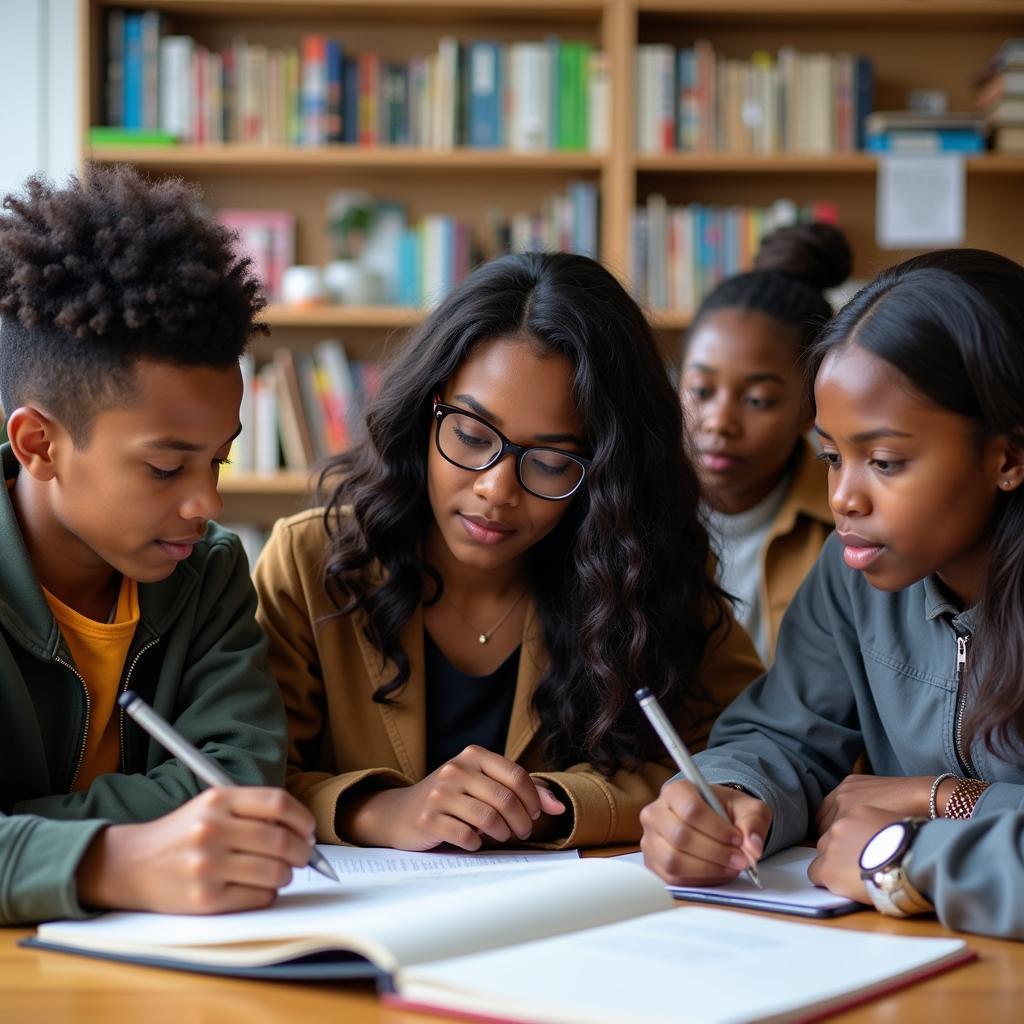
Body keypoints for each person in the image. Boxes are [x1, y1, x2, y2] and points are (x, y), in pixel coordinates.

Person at [254, 251, 762, 852]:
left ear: (607, 472)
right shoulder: (310, 562)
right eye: (470, 435)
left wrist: (553, 807)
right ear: (426, 408)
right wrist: (383, 811)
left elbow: (742, 754)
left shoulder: (647, 569)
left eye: (550, 462)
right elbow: (250, 776)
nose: (496, 490)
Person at [640, 248, 1024, 939]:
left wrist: (917, 837)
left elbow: (914, 833)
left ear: (1009, 456)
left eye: (884, 462)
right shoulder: (852, 573)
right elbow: (779, 732)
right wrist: (730, 796)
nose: (843, 496)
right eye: (830, 456)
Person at [0, 167, 316, 925]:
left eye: (220, 459)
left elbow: (235, 786)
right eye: (166, 467)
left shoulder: (207, 573)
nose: (206, 503)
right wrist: (112, 858)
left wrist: (19, 825)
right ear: (39, 443)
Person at [680, 222, 849, 663]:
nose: (719, 423)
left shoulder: (847, 523)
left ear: (809, 409)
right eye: (700, 391)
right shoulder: (629, 505)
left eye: (757, 400)